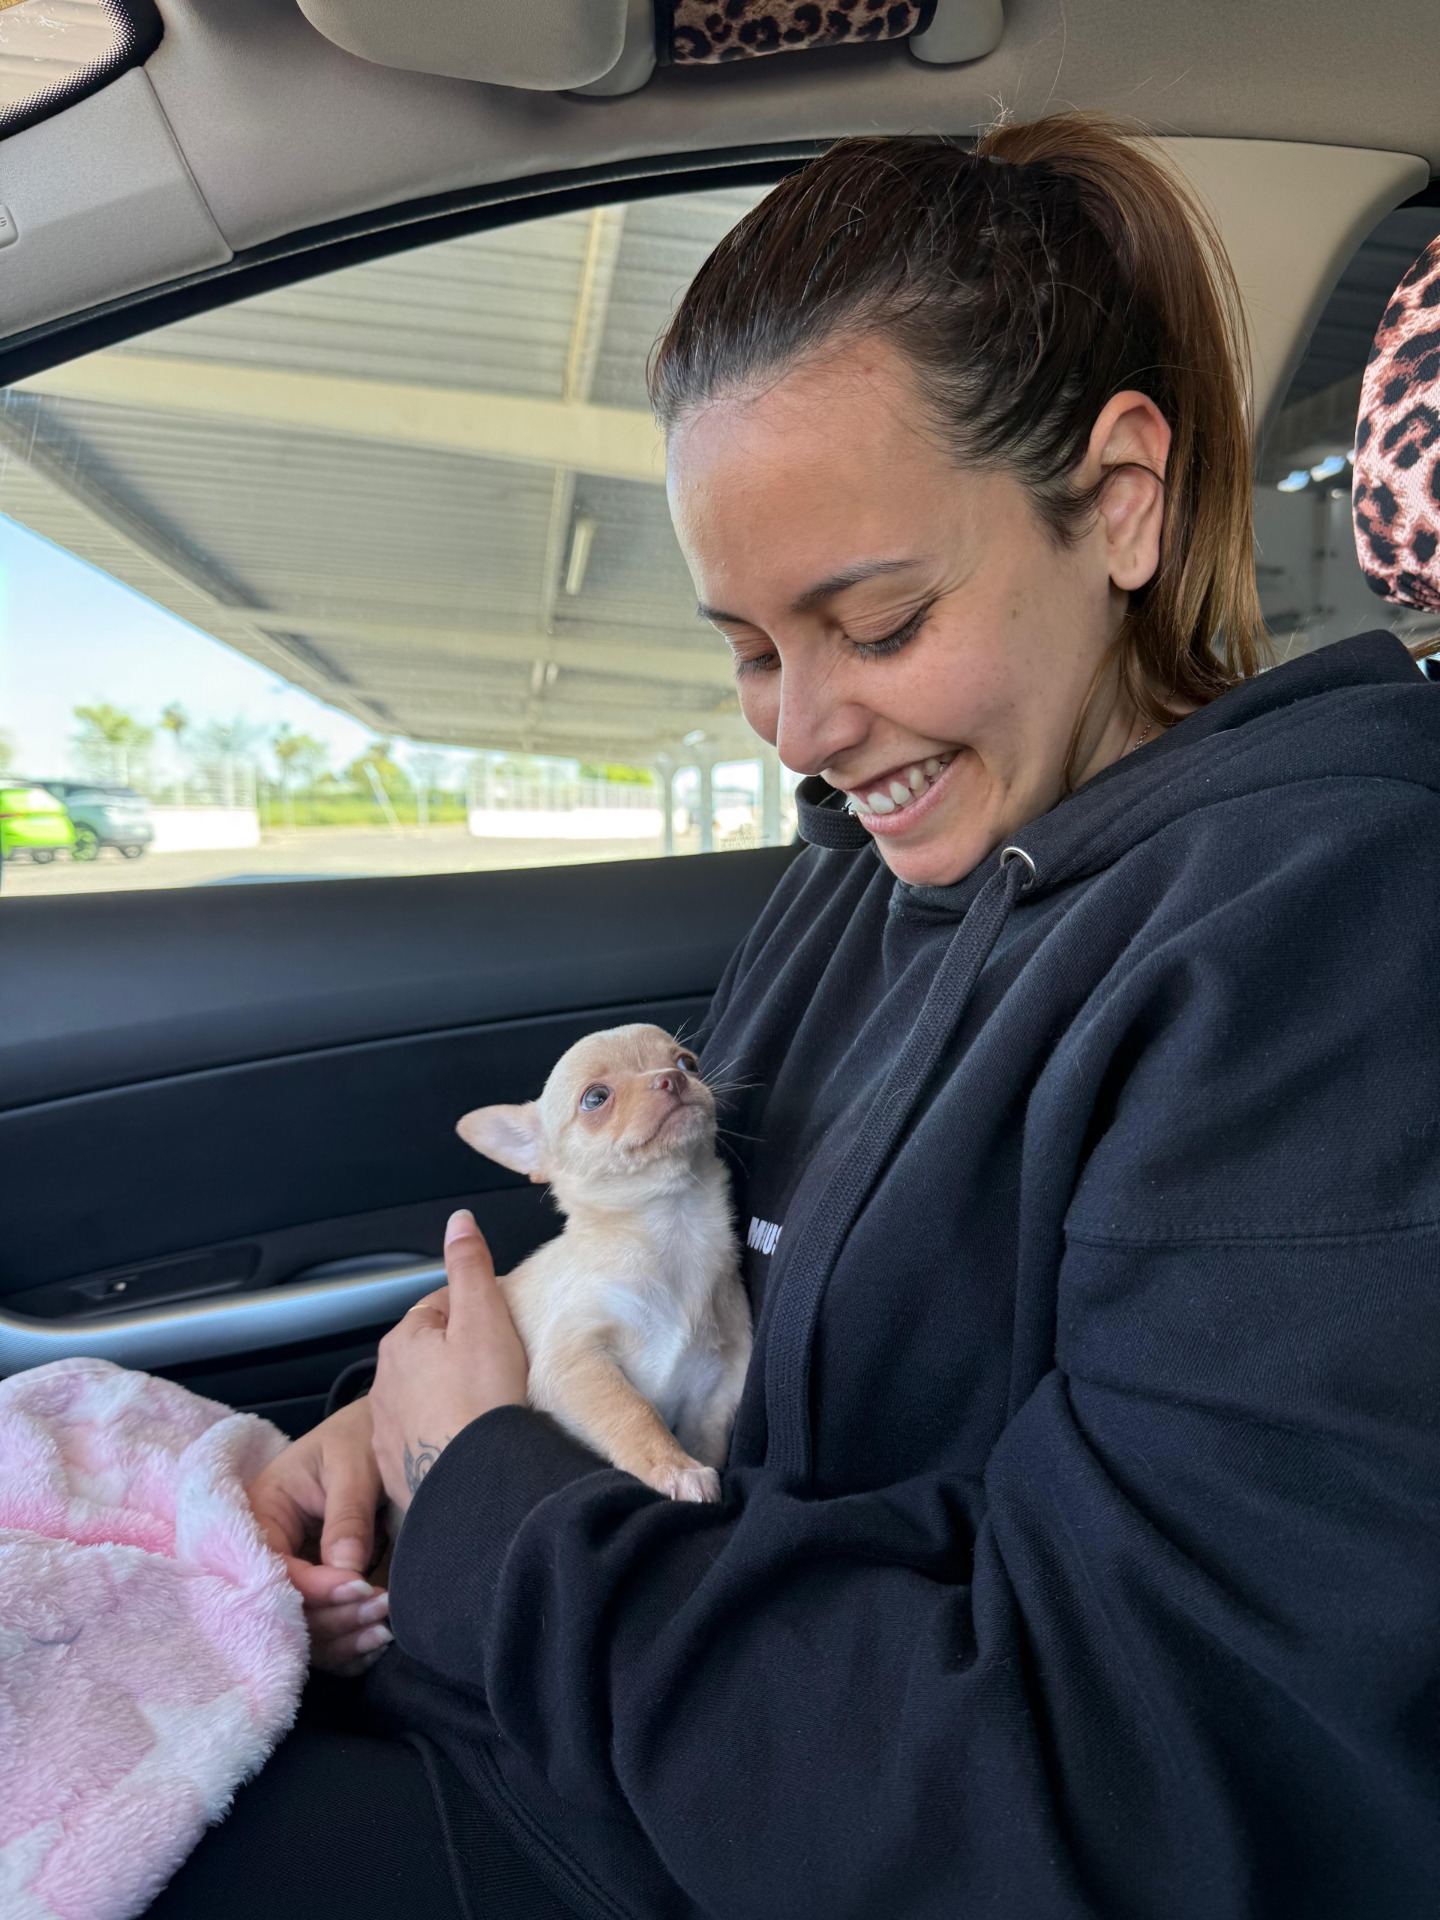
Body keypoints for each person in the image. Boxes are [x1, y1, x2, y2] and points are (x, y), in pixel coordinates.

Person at [152, 113, 1440, 1919]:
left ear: (1123, 504)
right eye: (751, 649)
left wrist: (489, 1507)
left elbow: (1121, 1803)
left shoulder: (1320, 941)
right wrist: (385, 1453)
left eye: (880, 619)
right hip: (581, 1721)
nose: (801, 731)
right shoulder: (868, 865)